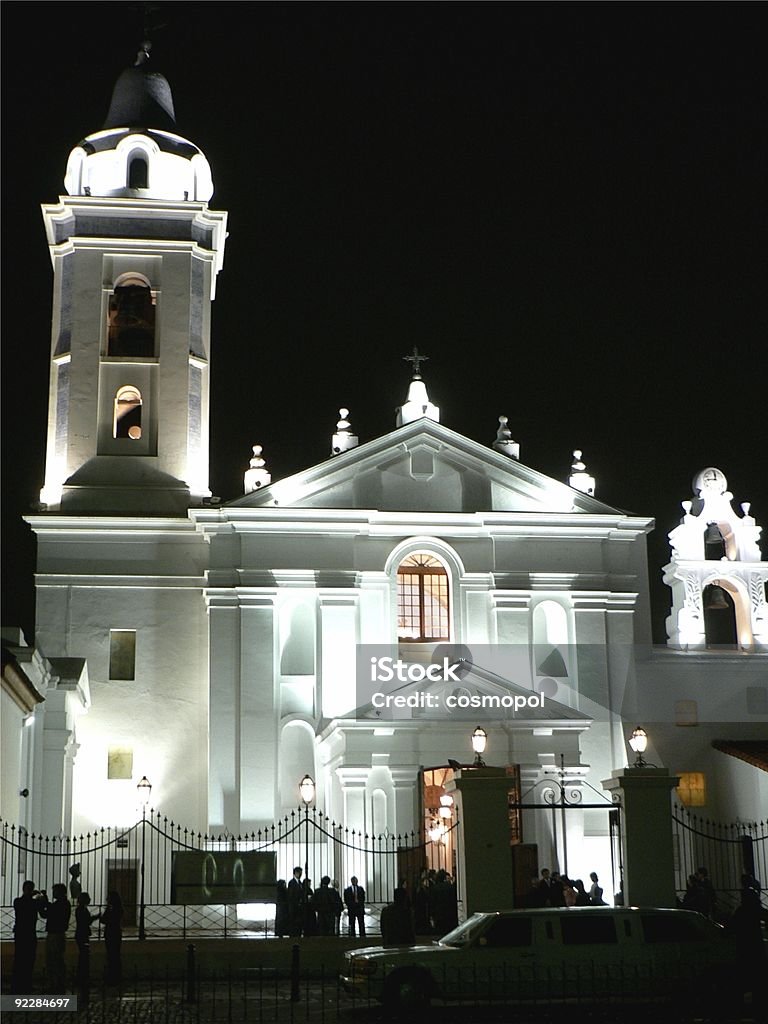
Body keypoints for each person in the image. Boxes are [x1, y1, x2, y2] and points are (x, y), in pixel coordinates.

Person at [12, 880, 44, 994]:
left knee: (19, 959)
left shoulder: (18, 901)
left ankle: (17, 985)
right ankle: (26, 984)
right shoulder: (33, 903)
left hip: (20, 934)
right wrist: (42, 899)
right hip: (29, 934)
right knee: (29, 960)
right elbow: (43, 914)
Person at [39, 883, 71, 994]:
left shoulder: (62, 904)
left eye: (55, 891)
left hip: (56, 935)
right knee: (54, 960)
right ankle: (56, 984)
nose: (54, 893)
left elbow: (48, 912)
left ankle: (57, 985)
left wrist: (44, 902)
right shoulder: (63, 904)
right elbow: (46, 913)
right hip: (56, 934)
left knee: (55, 960)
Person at [74, 892, 97, 988]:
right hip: (82, 935)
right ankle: (83, 978)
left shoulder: (81, 909)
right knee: (84, 957)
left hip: (81, 934)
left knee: (83, 956)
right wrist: (96, 917)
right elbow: (86, 921)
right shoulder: (81, 909)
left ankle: (82, 978)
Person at [100, 891, 123, 985]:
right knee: (115, 955)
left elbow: (103, 920)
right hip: (116, 933)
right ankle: (116, 976)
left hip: (110, 933)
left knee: (111, 955)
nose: (106, 899)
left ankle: (112, 977)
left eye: (108, 897)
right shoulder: (119, 909)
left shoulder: (111, 909)